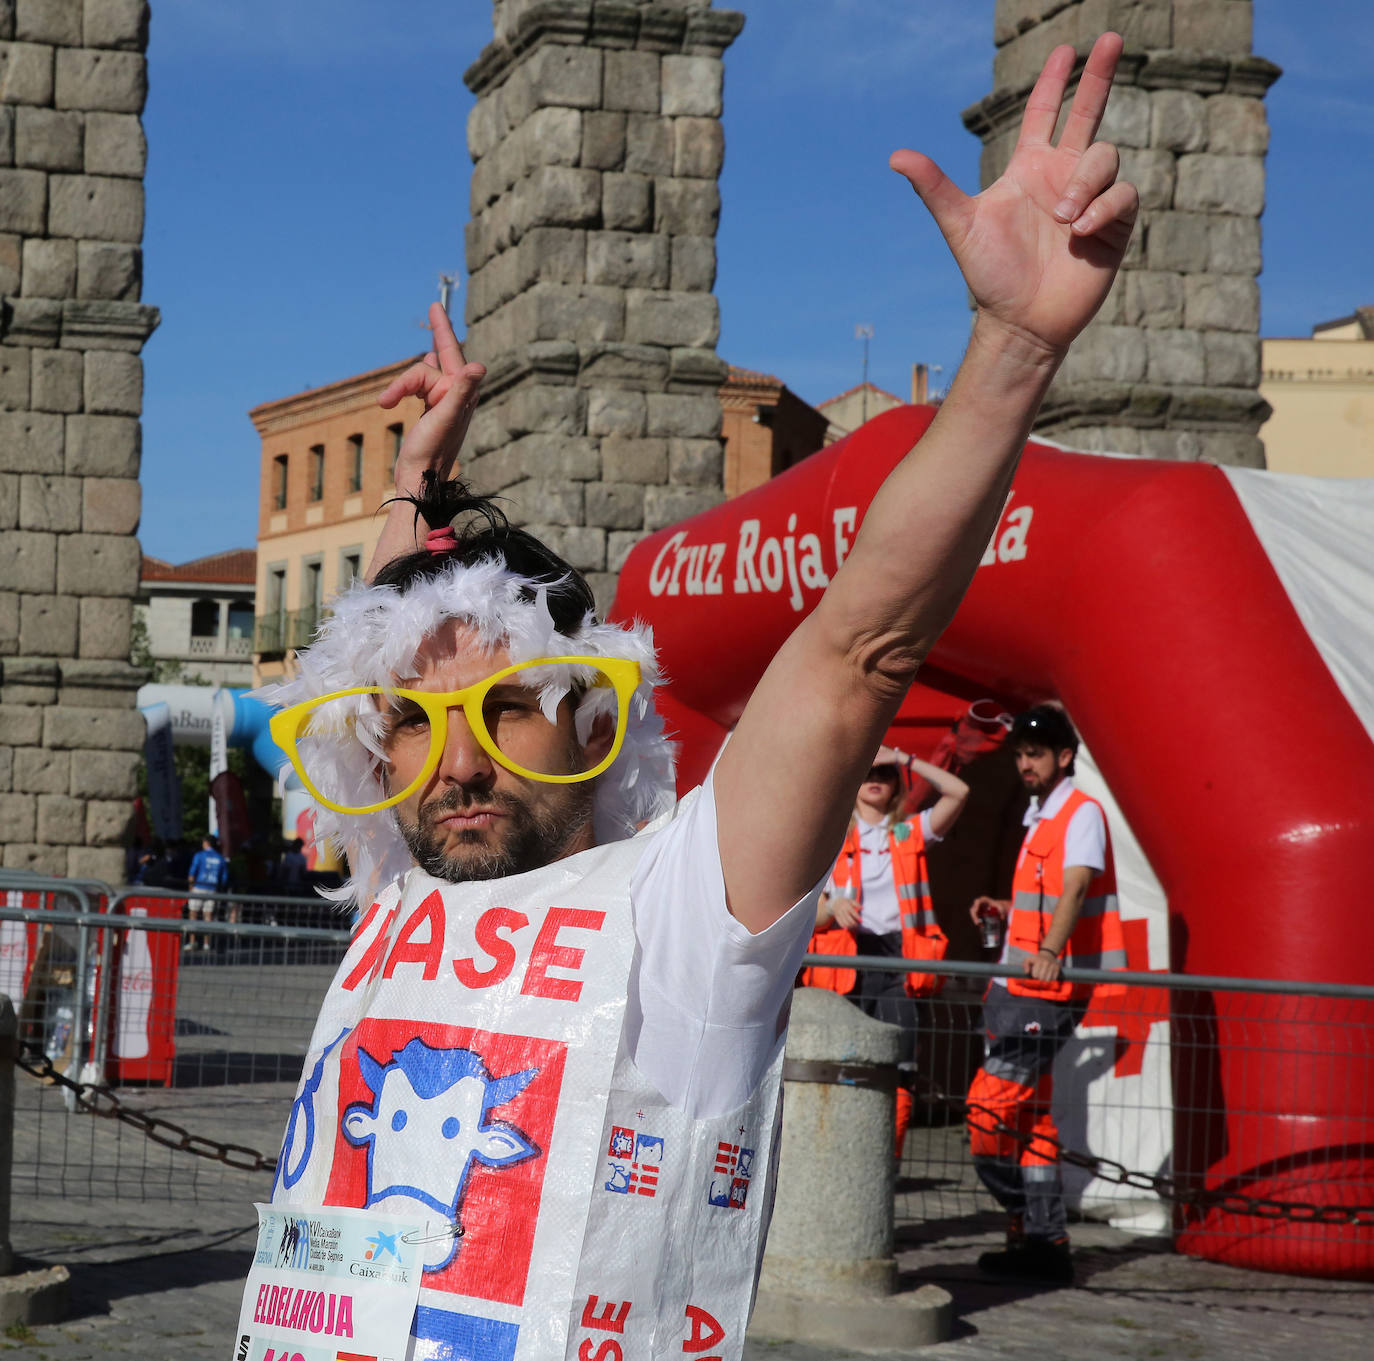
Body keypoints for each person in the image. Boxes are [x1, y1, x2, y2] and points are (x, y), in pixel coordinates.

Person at [253, 35, 1137, 1357]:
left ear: (593, 724)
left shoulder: (683, 910)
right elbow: (377, 673)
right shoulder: (404, 894)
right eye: (421, 730)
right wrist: (409, 486)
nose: (458, 763)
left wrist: (1010, 347)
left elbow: (856, 654)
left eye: (507, 712)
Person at [965, 705, 1127, 1283]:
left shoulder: (1080, 812)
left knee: (987, 1113)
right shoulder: (1041, 814)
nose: (1024, 764)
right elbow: (1045, 896)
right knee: (1030, 1123)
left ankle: (1023, 1217)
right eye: (1019, 755)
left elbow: (1077, 886)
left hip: (1044, 989)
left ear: (1064, 757)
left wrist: (1052, 951)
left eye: (1035, 754)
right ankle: (1046, 1243)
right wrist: (1007, 914)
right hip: (1015, 984)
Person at [805, 746, 967, 1154]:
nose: (876, 778)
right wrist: (831, 906)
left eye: (885, 773)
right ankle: (839, 1160)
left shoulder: (907, 833)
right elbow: (806, 912)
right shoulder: (829, 831)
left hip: (899, 962)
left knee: (900, 1068)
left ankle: (883, 1165)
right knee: (843, 1065)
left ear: (897, 784)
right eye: (867, 771)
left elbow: (958, 792)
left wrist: (905, 759)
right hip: (846, 960)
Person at [185, 834, 228, 953]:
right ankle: (206, 943)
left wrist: (190, 886)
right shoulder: (220, 858)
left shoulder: (199, 855)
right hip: (212, 888)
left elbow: (192, 872)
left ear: (206, 843)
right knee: (208, 916)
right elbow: (224, 878)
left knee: (193, 914)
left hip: (199, 886)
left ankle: (192, 942)